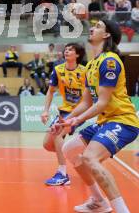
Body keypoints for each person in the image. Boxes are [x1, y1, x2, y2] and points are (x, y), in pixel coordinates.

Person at [54, 20, 139, 213]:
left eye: (98, 26)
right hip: (105, 122)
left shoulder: (110, 61)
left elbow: (103, 103)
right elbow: (86, 102)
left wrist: (78, 120)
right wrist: (68, 121)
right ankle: (98, 201)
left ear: (107, 35)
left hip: (123, 121)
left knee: (90, 157)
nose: (92, 28)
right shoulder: (91, 64)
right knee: (69, 150)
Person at [41, 43, 86, 186]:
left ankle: (62, 173)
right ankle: (76, 156)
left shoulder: (85, 72)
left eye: (71, 50)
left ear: (77, 55)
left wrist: (76, 115)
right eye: (66, 49)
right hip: (64, 111)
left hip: (79, 111)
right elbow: (50, 91)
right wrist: (45, 110)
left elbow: (89, 97)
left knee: (58, 133)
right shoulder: (58, 70)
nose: (67, 51)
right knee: (47, 145)